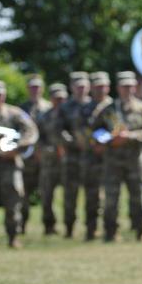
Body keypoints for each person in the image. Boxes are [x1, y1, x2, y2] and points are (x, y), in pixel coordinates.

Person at [91, 73, 142, 242]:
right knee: (111, 198)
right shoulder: (108, 110)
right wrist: (110, 139)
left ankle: (141, 231)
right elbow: (96, 131)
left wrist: (130, 136)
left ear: (134, 87)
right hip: (113, 161)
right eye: (123, 86)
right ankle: (111, 232)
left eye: (130, 86)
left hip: (135, 161)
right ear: (118, 88)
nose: (127, 89)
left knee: (138, 197)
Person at [0, 80, 39, 248]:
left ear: (4, 95)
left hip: (9, 164)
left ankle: (13, 237)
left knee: (13, 202)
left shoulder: (15, 113)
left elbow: (31, 132)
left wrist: (17, 149)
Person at [56, 72, 91, 239]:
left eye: (83, 86)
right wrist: (72, 141)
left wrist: (94, 142)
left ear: (88, 87)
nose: (81, 89)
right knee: (70, 195)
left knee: (94, 194)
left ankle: (92, 229)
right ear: (72, 87)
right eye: (78, 86)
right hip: (71, 158)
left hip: (93, 158)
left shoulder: (97, 106)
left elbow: (111, 128)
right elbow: (58, 130)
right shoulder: (64, 107)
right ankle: (69, 228)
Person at [81, 72, 113, 241]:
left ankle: (110, 230)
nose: (100, 89)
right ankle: (91, 229)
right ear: (91, 88)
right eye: (97, 86)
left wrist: (105, 143)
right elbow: (80, 129)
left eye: (103, 86)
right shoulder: (85, 108)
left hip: (112, 158)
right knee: (91, 195)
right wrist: (93, 142)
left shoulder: (114, 107)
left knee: (111, 196)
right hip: (90, 158)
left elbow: (118, 128)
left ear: (108, 87)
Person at [19, 74, 50, 234]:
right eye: (32, 87)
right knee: (23, 193)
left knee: (47, 192)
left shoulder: (49, 108)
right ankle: (21, 225)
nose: (35, 90)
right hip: (26, 159)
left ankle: (48, 226)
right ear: (28, 89)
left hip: (46, 158)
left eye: (38, 86)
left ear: (42, 89)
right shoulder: (20, 109)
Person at [37, 83, 68, 236]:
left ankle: (70, 227)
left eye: (62, 98)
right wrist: (49, 150)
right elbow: (38, 138)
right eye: (56, 98)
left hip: (70, 162)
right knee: (46, 195)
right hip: (49, 162)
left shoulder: (72, 114)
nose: (59, 101)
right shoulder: (44, 116)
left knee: (71, 195)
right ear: (51, 99)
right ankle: (49, 226)